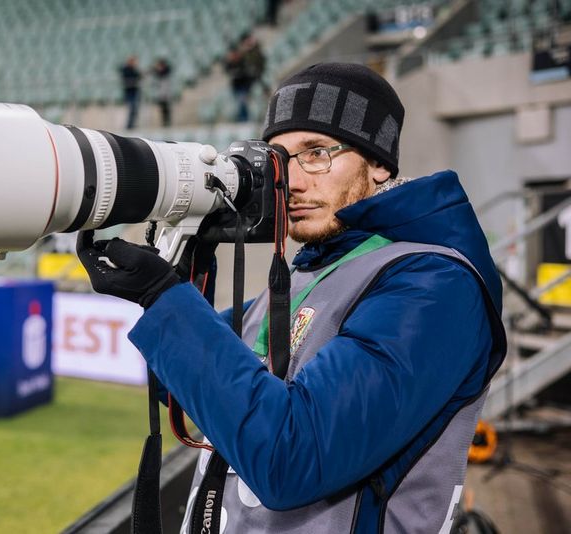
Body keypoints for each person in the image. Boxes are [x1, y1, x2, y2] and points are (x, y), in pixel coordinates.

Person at [76, 63, 506, 533]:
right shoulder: (309, 272)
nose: (293, 182)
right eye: (280, 159)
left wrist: (164, 298)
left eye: (317, 153)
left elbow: (292, 459)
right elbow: (182, 389)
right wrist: (187, 266)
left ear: (379, 162)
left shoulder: (434, 283)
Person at [225, 35, 266, 122]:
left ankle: (245, 119)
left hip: (244, 85)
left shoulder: (244, 60)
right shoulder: (230, 63)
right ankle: (243, 118)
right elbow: (227, 70)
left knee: (243, 101)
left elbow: (248, 71)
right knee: (240, 103)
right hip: (236, 86)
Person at [120, 56, 142, 129]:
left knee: (134, 109)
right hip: (129, 92)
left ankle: (131, 124)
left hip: (134, 91)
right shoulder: (126, 69)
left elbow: (139, 76)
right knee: (131, 108)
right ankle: (129, 125)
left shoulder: (133, 69)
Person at [151, 58, 173, 127]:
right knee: (163, 108)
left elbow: (162, 74)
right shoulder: (160, 73)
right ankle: (165, 121)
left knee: (166, 107)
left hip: (166, 92)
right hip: (162, 92)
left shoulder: (166, 72)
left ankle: (167, 121)